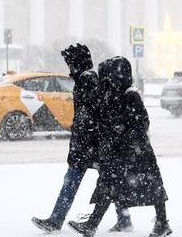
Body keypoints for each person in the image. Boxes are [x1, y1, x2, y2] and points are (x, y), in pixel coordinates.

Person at [32, 44, 132, 233]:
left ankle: (55, 220)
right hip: (91, 144)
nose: (68, 67)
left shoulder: (86, 80)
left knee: (74, 183)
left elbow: (90, 114)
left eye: (70, 63)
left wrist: (83, 139)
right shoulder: (87, 78)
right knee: (110, 183)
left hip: (87, 145)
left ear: (77, 63)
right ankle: (124, 219)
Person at [68, 56, 172, 237]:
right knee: (108, 185)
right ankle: (92, 224)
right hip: (118, 152)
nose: (105, 80)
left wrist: (122, 132)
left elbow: (142, 124)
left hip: (135, 153)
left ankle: (162, 223)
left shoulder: (130, 95)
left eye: (108, 76)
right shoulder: (112, 94)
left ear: (118, 76)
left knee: (151, 187)